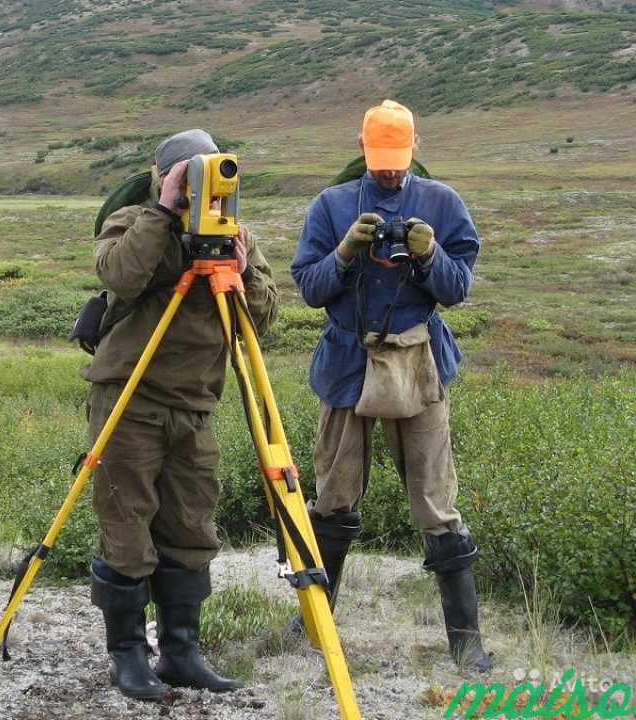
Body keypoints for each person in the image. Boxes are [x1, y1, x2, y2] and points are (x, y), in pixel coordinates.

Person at [289, 99, 491, 671]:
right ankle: (313, 618)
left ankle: (465, 638)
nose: (389, 171)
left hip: (417, 362)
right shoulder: (330, 206)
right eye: (380, 160)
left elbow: (456, 290)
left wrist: (429, 255)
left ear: (414, 149)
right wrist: (347, 251)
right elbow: (310, 287)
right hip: (348, 362)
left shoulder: (443, 204)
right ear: (361, 147)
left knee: (436, 498)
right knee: (332, 493)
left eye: (398, 161)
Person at [83, 129, 279, 700]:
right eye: (190, 178)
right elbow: (119, 273)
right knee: (126, 526)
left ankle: (181, 652)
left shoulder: (233, 233)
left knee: (191, 528)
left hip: (196, 405)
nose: (205, 191)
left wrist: (241, 272)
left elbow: (262, 320)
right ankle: (127, 657)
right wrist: (163, 211)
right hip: (131, 398)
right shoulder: (132, 220)